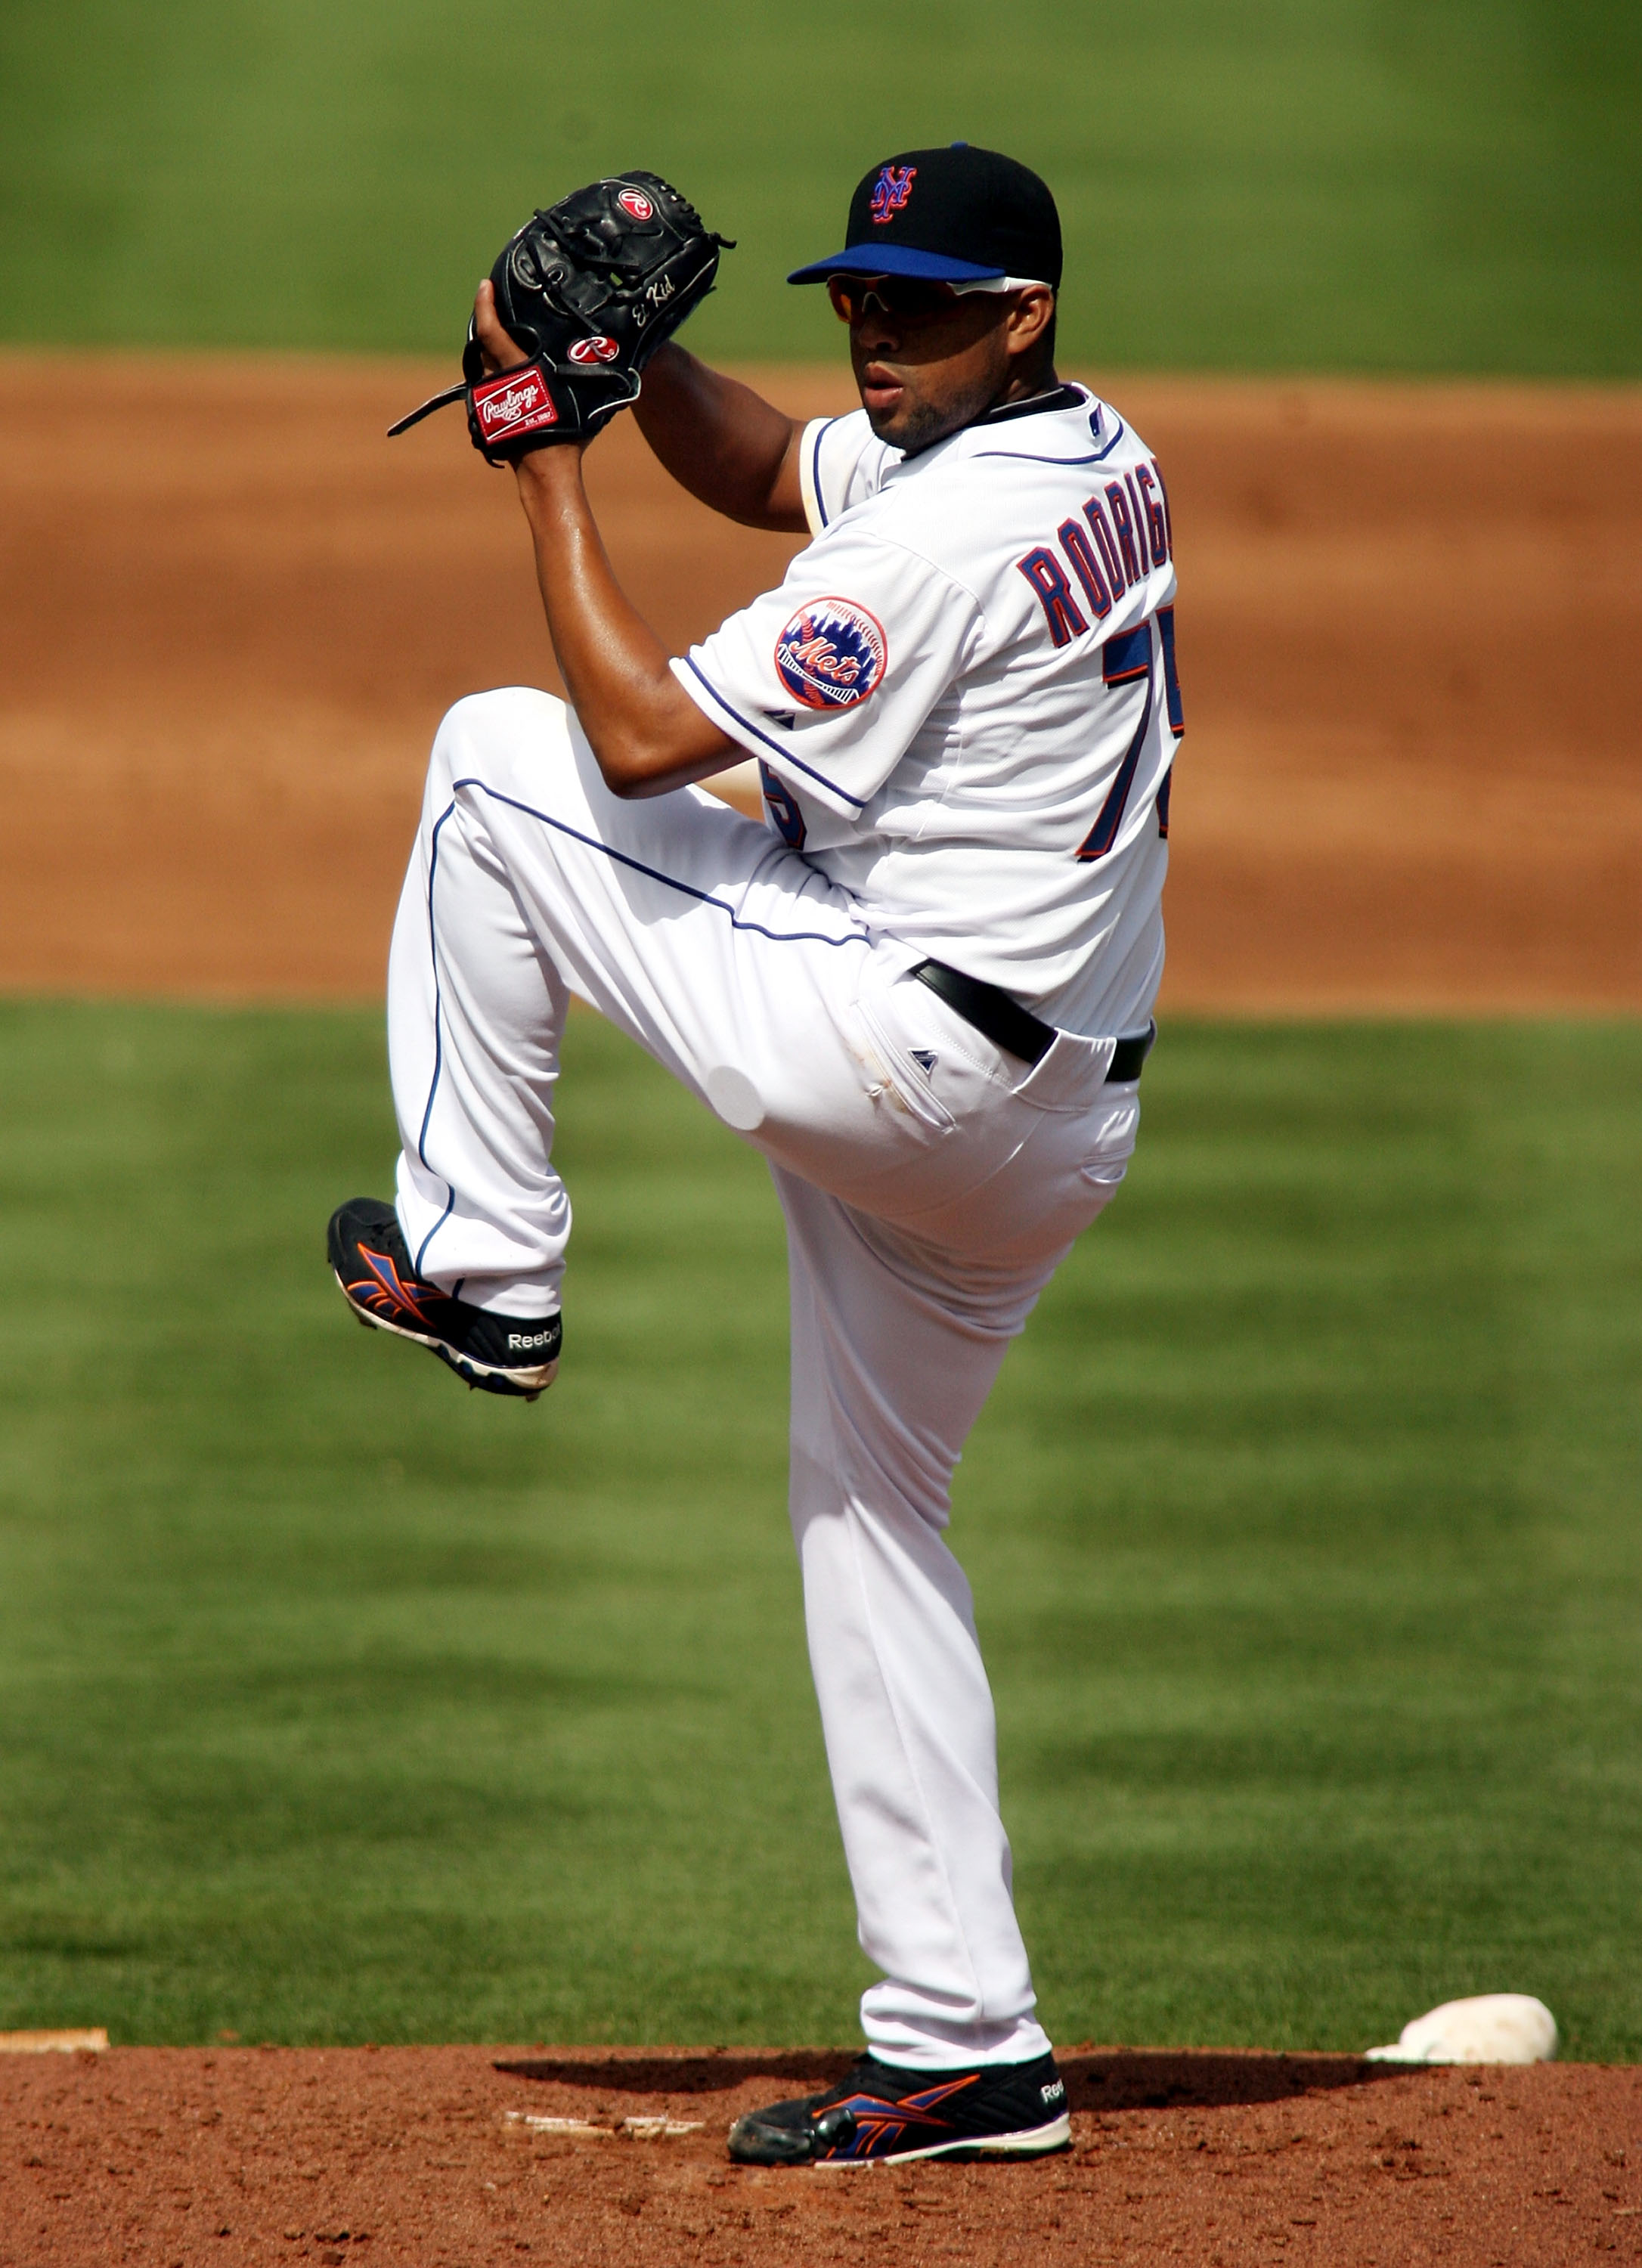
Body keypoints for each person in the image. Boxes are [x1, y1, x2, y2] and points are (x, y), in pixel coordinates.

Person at [327, 141, 1181, 2166]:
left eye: (923, 302)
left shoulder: (940, 545)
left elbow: (629, 738)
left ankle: (488, 1269)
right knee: (868, 1518)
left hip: (899, 1059)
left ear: (1022, 311)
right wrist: (635, 366)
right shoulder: (1083, 448)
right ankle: (967, 2042)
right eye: (858, 296)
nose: (876, 333)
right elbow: (773, 465)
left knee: (491, 767)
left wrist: (545, 456)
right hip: (1046, 1122)